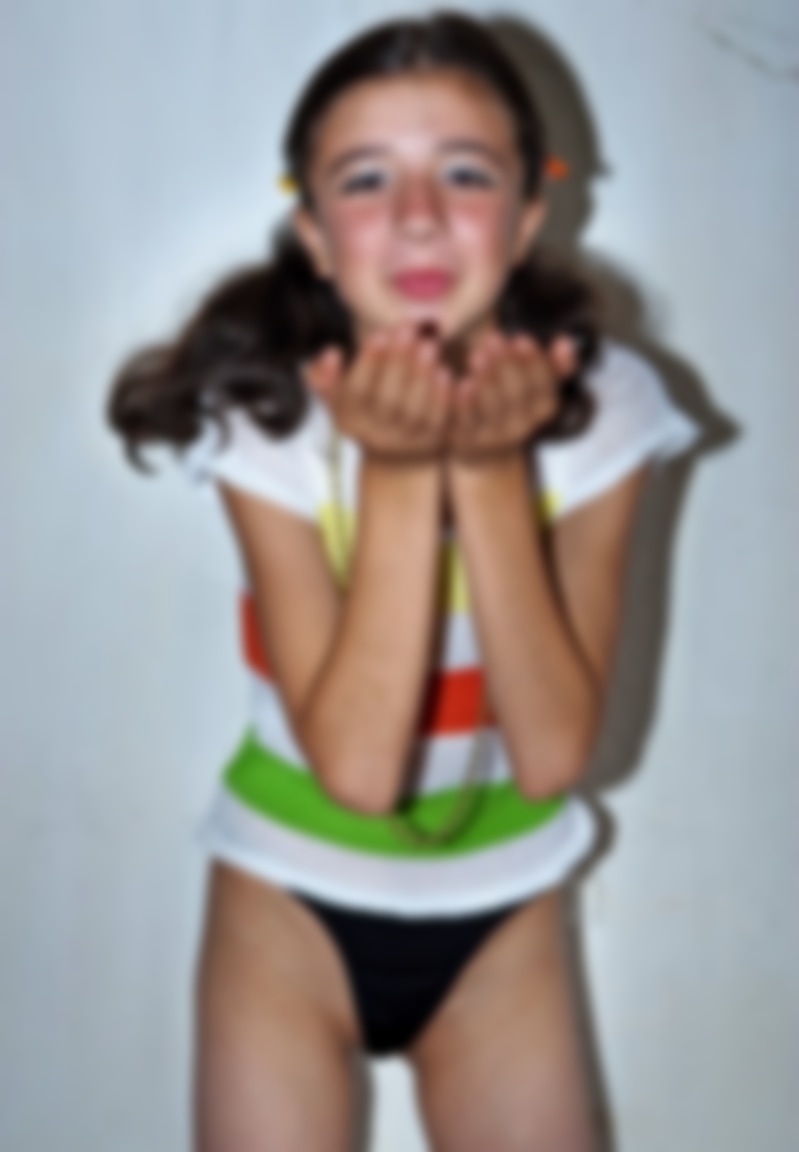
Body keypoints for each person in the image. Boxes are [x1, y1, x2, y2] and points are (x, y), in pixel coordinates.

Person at [108, 12, 698, 1151]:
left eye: (464, 174)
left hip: (503, 923)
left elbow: (555, 753)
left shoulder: (607, 405)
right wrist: (396, 472)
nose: (419, 213)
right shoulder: (266, 414)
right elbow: (358, 772)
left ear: (525, 218)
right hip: (285, 909)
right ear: (316, 235)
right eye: (366, 179)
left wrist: (487, 470)